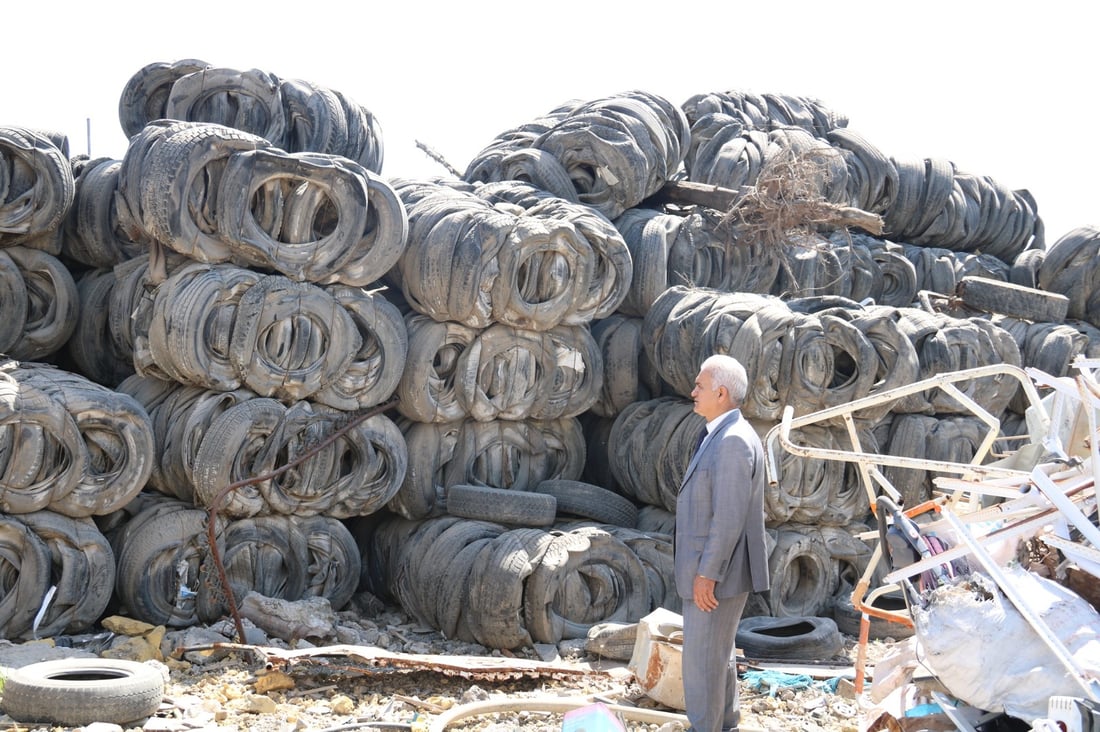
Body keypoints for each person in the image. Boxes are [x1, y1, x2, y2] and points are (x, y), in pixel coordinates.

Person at [675, 354, 770, 732]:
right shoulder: (726, 434)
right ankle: (726, 724)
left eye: (699, 386)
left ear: (721, 393)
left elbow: (728, 518)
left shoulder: (732, 441)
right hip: (716, 570)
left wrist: (707, 574)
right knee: (717, 655)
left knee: (702, 662)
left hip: (715, 573)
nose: (692, 392)